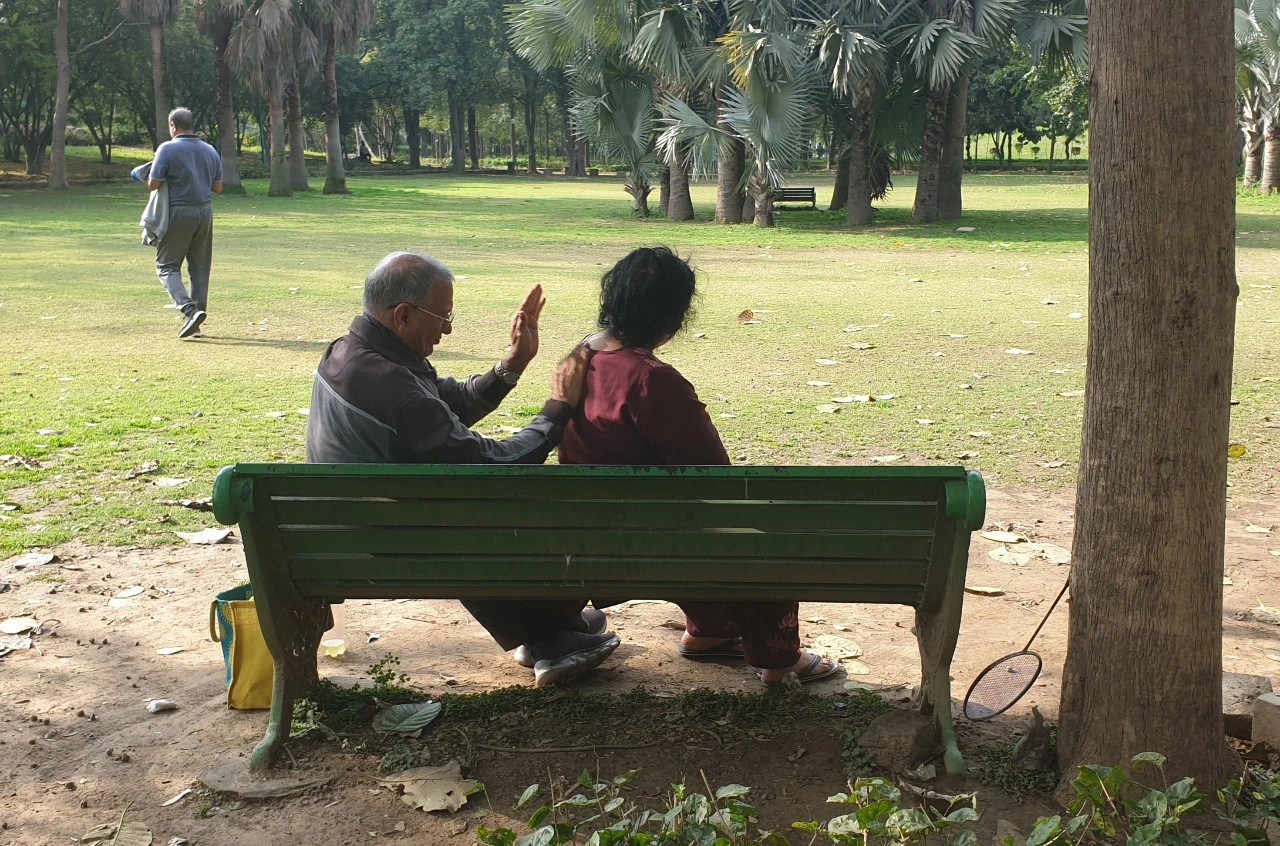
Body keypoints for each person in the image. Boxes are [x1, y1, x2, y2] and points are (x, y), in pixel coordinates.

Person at [305, 250, 620, 687]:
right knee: (497, 504)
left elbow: (441, 406)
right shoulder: (389, 383)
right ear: (403, 315)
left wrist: (512, 364)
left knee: (456, 509)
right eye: (443, 317)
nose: (447, 329)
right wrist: (559, 408)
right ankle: (550, 633)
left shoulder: (351, 353)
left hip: (351, 526)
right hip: (384, 542)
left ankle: (551, 629)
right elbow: (493, 464)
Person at [558, 246, 839, 686]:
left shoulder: (577, 359)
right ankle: (778, 659)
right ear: (674, 320)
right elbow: (715, 479)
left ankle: (711, 630)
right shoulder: (652, 380)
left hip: (587, 532)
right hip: (652, 542)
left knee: (689, 516)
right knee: (756, 524)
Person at [146, 108, 223, 339]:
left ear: (173, 126)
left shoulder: (167, 149)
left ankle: (189, 310)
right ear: (191, 125)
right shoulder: (210, 150)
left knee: (166, 266)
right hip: (205, 212)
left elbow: (153, 184)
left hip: (178, 212)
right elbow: (218, 187)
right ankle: (195, 325)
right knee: (200, 268)